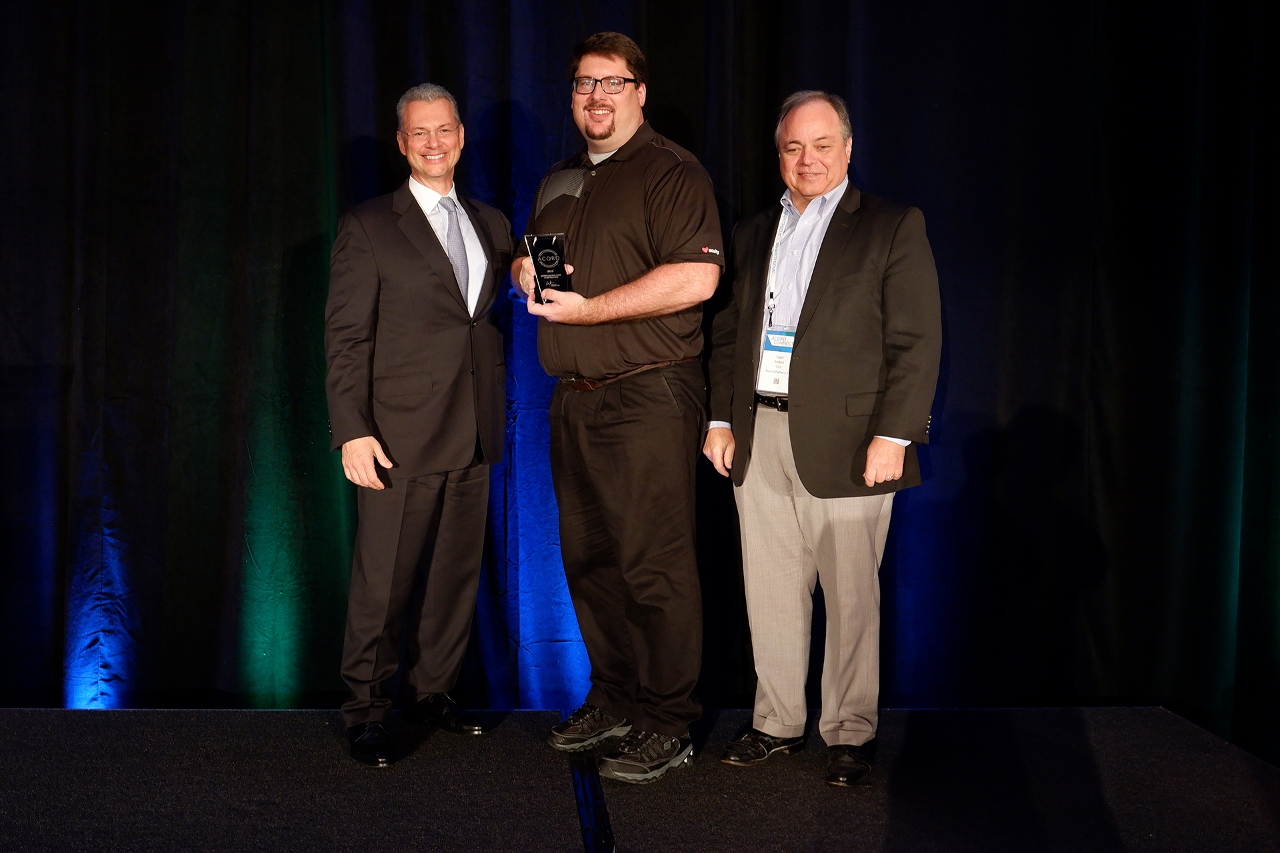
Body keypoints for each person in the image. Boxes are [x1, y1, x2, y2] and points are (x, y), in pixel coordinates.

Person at [703, 90, 941, 786]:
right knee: (769, 591)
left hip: (853, 439)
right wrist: (720, 419)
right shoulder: (751, 233)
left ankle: (849, 730)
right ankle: (776, 721)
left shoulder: (892, 225)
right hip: (759, 432)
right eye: (792, 147)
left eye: (820, 145)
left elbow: (917, 339)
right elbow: (726, 337)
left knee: (850, 594)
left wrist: (894, 434)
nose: (806, 160)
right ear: (780, 153)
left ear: (847, 147)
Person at [510, 32, 724, 784]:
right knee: (591, 560)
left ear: (638, 91)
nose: (595, 97)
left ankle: (669, 721)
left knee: (654, 565)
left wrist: (589, 310)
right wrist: (522, 270)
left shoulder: (672, 171)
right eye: (582, 85)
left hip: (648, 393)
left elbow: (694, 281)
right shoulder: (560, 177)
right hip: (573, 401)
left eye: (610, 83)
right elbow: (532, 254)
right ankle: (616, 697)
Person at [325, 83, 514, 767]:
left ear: (461, 136)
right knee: (384, 582)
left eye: (444, 131)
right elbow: (346, 339)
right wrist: (352, 429)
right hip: (396, 437)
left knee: (454, 575)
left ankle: (432, 690)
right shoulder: (369, 226)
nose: (434, 143)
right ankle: (366, 709)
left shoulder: (492, 222)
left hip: (473, 430)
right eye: (419, 133)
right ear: (403, 143)